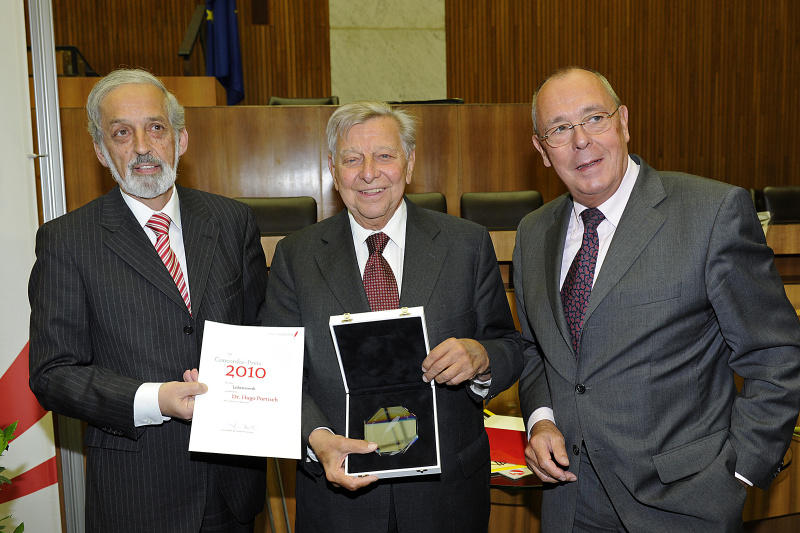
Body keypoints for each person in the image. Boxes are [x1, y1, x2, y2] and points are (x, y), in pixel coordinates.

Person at [514, 66, 800, 532]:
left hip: (684, 505)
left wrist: (739, 472)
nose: (581, 141)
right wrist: (542, 420)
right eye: (559, 129)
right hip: (570, 503)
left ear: (624, 122)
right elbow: (536, 352)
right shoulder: (533, 233)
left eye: (595, 119)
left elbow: (776, 353)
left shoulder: (711, 213)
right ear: (542, 150)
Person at [264, 101, 523, 532]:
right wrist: (316, 438)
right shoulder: (295, 256)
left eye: (384, 155)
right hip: (338, 500)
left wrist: (480, 356)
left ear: (410, 161)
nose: (369, 172)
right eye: (352, 158)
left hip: (447, 498)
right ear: (333, 168)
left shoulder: (467, 245)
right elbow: (279, 372)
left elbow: (510, 346)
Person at [28, 69, 268, 532]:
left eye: (156, 127)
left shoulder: (233, 220)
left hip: (232, 487)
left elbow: (261, 331)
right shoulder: (67, 241)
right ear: (101, 151)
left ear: (180, 138)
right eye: (122, 132)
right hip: (137, 494)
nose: (142, 146)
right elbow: (53, 374)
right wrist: (155, 399)